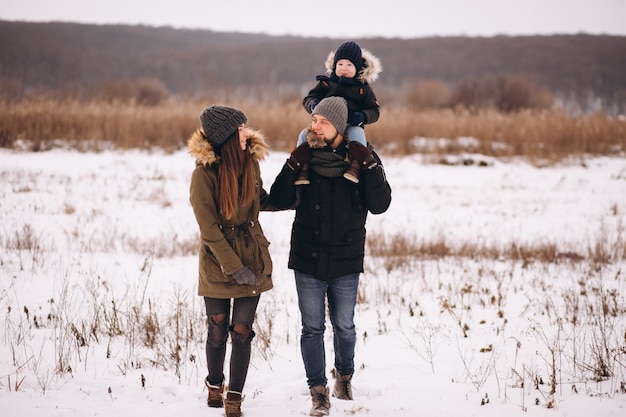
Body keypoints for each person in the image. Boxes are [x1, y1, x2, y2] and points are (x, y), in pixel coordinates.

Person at [269, 97, 392, 416]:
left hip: (346, 257)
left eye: (322, 121)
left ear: (338, 126)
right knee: (312, 329)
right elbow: (281, 198)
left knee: (345, 326)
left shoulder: (360, 158)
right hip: (308, 258)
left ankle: (345, 377)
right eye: (313, 120)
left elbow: (380, 204)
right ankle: (318, 390)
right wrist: (291, 163)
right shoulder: (306, 157)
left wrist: (370, 164)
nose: (314, 125)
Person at [188, 105, 275, 417]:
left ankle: (234, 398)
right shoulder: (203, 175)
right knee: (218, 328)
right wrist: (232, 266)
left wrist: (298, 185)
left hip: (252, 256)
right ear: (225, 137)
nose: (245, 134)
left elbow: (261, 201)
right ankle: (214, 383)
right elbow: (209, 230)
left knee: (242, 330)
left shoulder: (250, 164)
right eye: (239, 130)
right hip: (217, 260)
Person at [295, 40, 382, 185]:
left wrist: (362, 117)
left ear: (358, 68)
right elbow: (309, 98)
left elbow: (374, 110)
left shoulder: (363, 88)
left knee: (358, 136)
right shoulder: (326, 83)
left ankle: (356, 166)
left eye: (349, 65)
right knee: (304, 135)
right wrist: (313, 105)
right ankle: (301, 166)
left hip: (351, 124)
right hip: (325, 123)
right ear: (334, 65)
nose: (344, 68)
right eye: (340, 64)